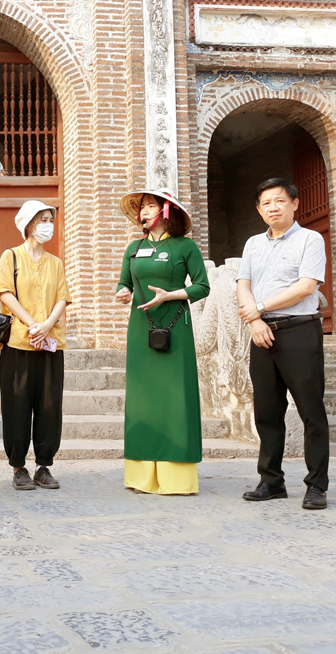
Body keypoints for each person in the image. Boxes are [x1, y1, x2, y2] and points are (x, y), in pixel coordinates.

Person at [236, 177, 330, 510]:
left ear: (294, 203)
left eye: (279, 200)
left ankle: (317, 485)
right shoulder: (252, 244)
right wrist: (255, 320)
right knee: (267, 411)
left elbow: (306, 287)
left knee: (311, 410)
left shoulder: (310, 240)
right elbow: (243, 285)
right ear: (259, 210)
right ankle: (271, 481)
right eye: (266, 203)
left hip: (299, 331)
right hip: (261, 333)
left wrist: (260, 308)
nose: (272, 207)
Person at [115, 188, 210, 495]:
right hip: (141, 328)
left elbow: (202, 286)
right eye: (141, 208)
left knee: (175, 398)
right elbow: (123, 283)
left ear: (166, 211)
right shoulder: (134, 247)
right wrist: (122, 294)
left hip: (175, 328)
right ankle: (141, 476)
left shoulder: (186, 247)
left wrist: (171, 295)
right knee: (143, 400)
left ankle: (176, 478)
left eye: (150, 206)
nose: (143, 212)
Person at [0, 200, 71, 491]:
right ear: (28, 224)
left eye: (50, 218)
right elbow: (5, 294)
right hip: (17, 344)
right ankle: (18, 466)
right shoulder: (10, 257)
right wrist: (31, 324)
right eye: (42, 219)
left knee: (50, 405)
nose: (48, 224)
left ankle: (43, 465)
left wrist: (47, 324)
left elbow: (62, 297)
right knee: (17, 405)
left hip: (51, 342)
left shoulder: (56, 262)